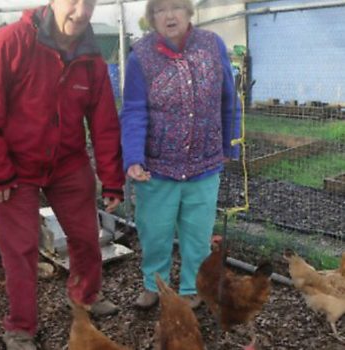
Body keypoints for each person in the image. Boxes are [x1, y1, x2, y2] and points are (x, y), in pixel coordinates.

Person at [0, 0, 125, 348]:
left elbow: (104, 124)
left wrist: (112, 178)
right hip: (14, 166)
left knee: (87, 236)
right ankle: (21, 327)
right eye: (73, 1)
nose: (82, 11)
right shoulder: (11, 43)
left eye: (90, 2)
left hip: (67, 162)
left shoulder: (92, 60)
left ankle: (85, 296)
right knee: (20, 249)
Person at [120, 0, 241, 310]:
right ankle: (154, 286)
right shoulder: (140, 56)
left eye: (176, 7)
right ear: (151, 18)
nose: (169, 15)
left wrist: (230, 144)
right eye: (160, 9)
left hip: (205, 165)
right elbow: (133, 109)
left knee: (198, 236)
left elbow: (229, 98)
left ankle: (191, 288)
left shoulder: (212, 46)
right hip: (157, 169)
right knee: (155, 233)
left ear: (189, 12)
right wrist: (133, 157)